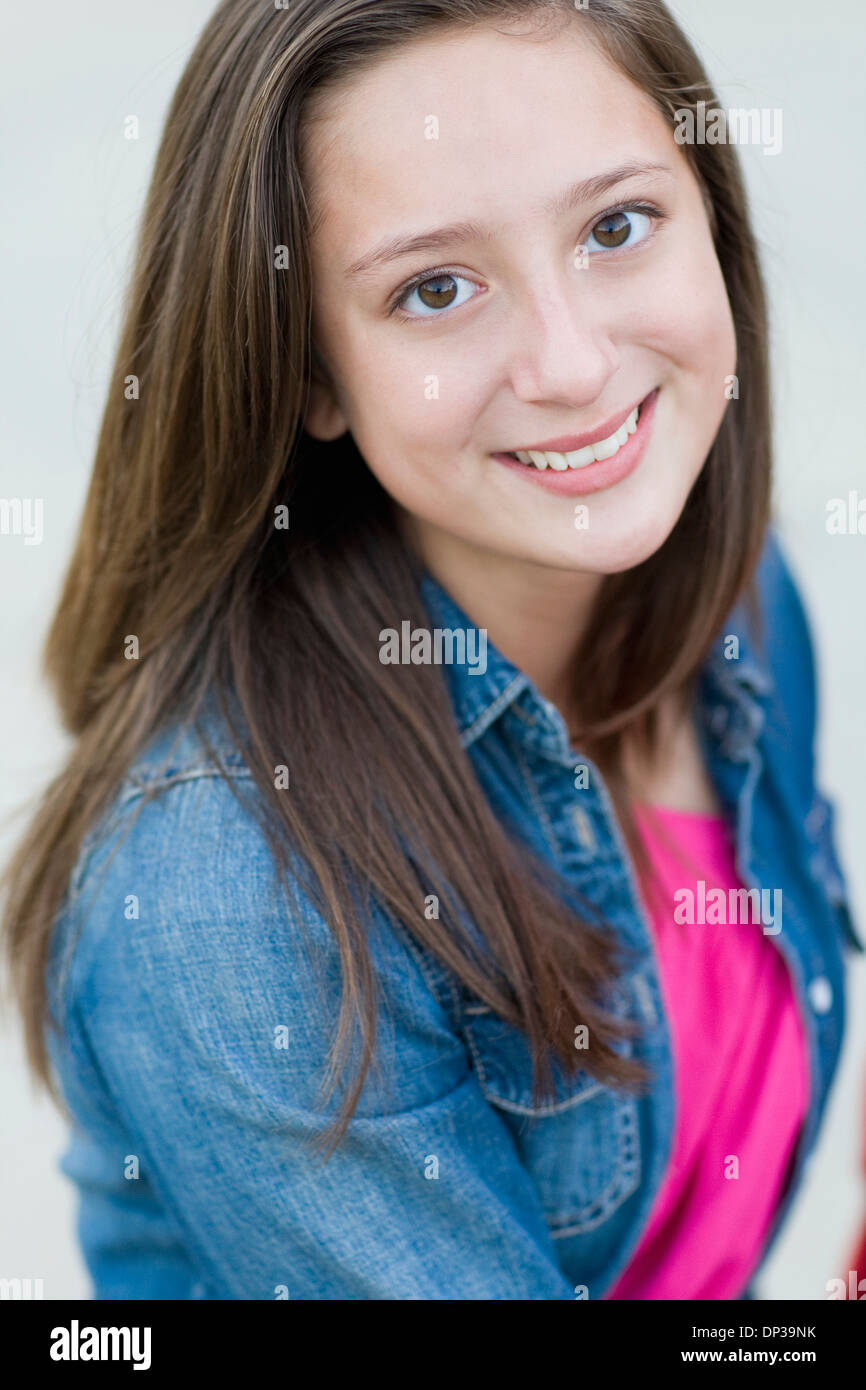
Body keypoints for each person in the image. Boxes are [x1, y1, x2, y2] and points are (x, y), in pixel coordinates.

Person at [2, 0, 861, 1300]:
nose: (572, 365)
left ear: (712, 218)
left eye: (615, 226)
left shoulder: (739, 596)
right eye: (435, 289)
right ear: (309, 372)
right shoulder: (233, 883)